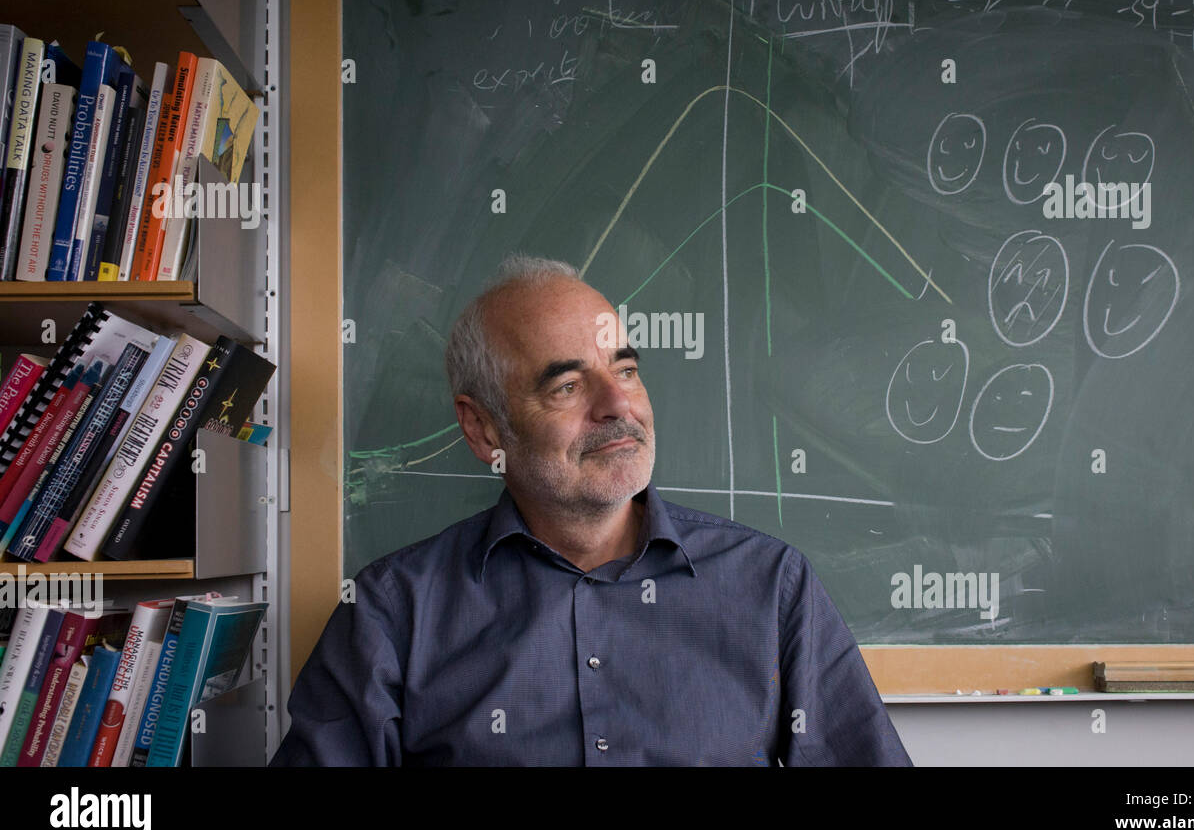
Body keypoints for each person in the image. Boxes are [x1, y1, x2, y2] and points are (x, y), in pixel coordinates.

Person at [271, 255, 910, 766]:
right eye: (568, 386)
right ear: (484, 429)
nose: (617, 406)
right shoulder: (392, 612)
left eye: (625, 370)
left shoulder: (772, 588)